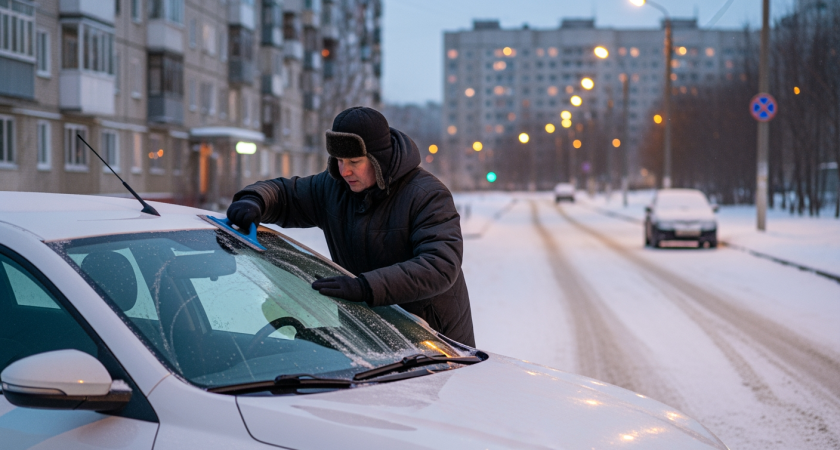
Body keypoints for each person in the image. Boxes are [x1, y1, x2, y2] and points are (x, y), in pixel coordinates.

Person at [226, 106, 475, 346]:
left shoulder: (427, 195)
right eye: (339, 160)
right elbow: (285, 193)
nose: (344, 171)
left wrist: (365, 287)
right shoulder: (333, 188)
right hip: (369, 334)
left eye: (354, 161)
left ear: (379, 159)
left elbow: (440, 265)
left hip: (435, 339)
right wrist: (256, 199)